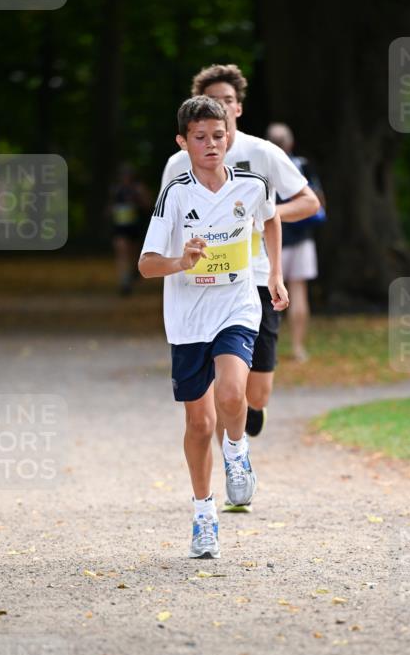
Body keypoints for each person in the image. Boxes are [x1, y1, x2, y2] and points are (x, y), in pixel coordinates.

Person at [139, 96, 288, 558]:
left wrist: (275, 275)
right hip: (187, 321)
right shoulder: (175, 195)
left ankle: (238, 452)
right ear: (182, 142)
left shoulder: (252, 185)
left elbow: (272, 219)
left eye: (218, 136)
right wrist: (181, 261)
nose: (210, 145)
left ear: (229, 136)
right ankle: (204, 515)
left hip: (237, 307)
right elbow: (146, 265)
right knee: (200, 424)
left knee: (230, 395)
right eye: (199, 138)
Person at [161, 64, 319, 459]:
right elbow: (167, 221)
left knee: (256, 393)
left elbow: (310, 202)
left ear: (239, 109)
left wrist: (261, 213)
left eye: (228, 101)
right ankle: (234, 463)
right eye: (214, 101)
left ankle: (249, 412)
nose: (222, 107)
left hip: (259, 277)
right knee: (224, 387)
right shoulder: (179, 162)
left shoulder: (261, 153)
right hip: (204, 285)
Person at [266, 123, 325, 362]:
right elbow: (318, 200)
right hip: (301, 239)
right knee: (298, 291)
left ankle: (269, 349)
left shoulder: (263, 166)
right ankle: (298, 347)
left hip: (270, 240)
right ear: (290, 143)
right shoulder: (302, 165)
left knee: (267, 294)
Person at [109, 163, 153, 295]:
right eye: (123, 175)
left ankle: (134, 271)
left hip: (135, 227)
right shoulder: (116, 190)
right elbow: (110, 206)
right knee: (122, 251)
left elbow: (149, 205)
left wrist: (138, 200)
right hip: (120, 227)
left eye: (128, 175)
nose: (125, 178)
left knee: (133, 254)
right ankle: (124, 282)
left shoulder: (138, 189)